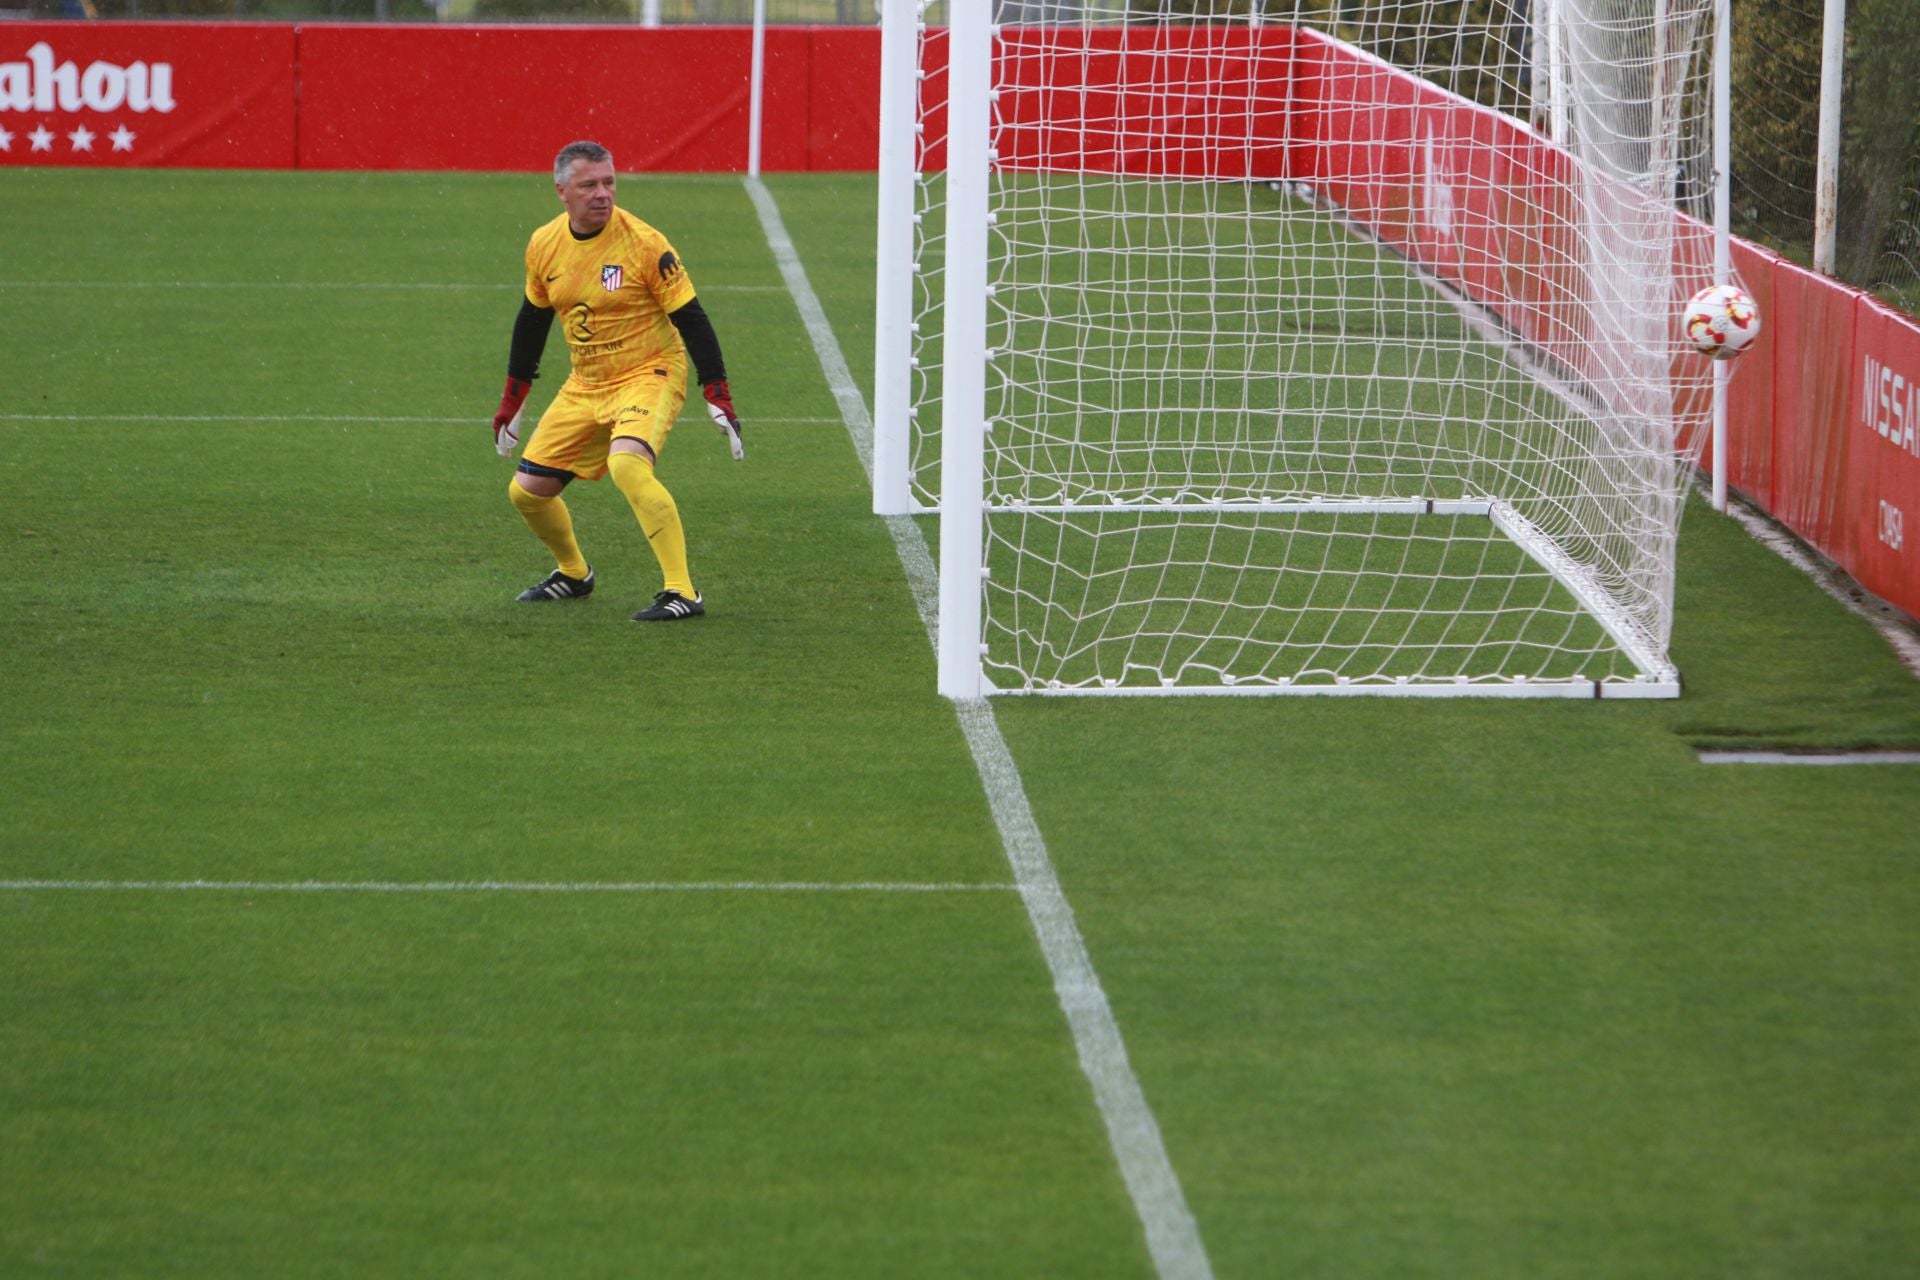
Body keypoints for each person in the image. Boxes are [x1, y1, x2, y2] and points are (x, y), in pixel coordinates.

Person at [490, 139, 744, 622]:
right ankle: (573, 574)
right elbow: (533, 318)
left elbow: (692, 318)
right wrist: (513, 396)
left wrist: (717, 390)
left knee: (628, 467)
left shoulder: (646, 244)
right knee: (526, 492)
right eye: (589, 185)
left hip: (649, 371)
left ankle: (683, 592)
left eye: (609, 182)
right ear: (561, 191)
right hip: (587, 382)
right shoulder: (544, 244)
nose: (603, 194)